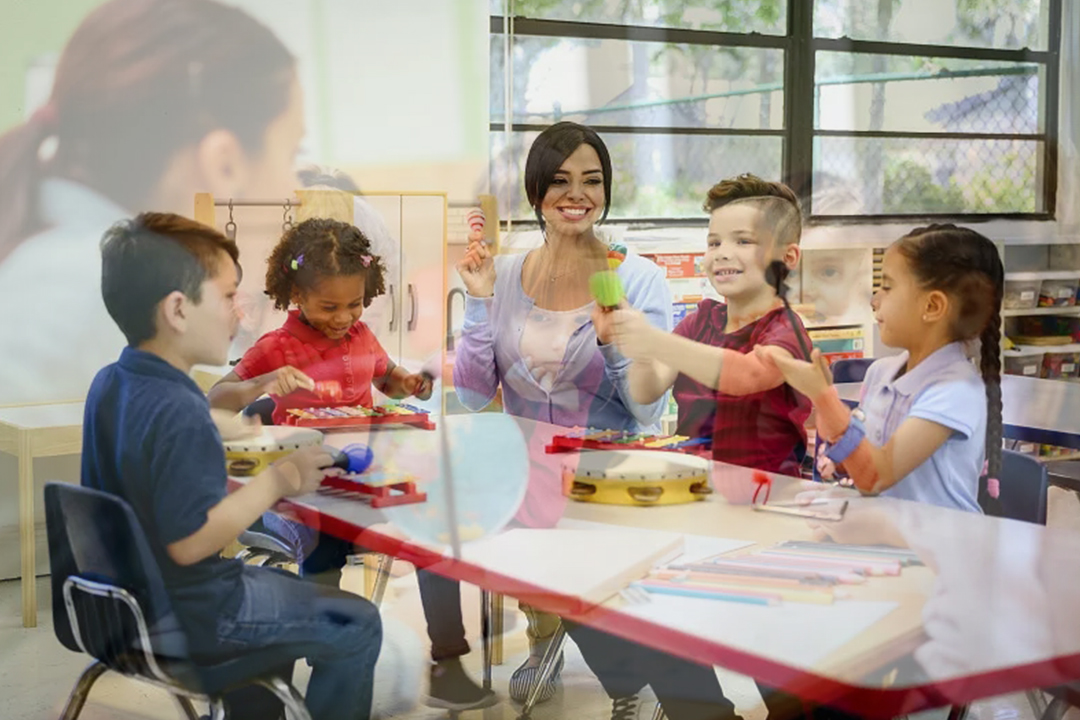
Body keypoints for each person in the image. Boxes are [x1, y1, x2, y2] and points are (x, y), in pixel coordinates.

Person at [82, 212, 381, 720]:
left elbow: (186, 429)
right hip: (188, 613)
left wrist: (252, 404)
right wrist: (280, 480)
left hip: (114, 605)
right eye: (226, 297)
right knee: (358, 622)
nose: (240, 313)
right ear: (178, 310)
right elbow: (190, 542)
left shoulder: (115, 381)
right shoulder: (179, 410)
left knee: (287, 594)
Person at [208, 217, 495, 711]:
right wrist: (261, 383)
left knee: (433, 533)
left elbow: (384, 376)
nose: (345, 317)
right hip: (304, 497)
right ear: (296, 294)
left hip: (368, 482)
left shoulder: (362, 335)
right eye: (330, 306)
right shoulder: (275, 347)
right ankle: (332, 657)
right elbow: (217, 398)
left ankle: (448, 663)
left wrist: (406, 382)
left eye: (356, 303)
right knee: (322, 550)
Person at [453, 121, 672, 707]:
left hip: (607, 471)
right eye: (560, 181)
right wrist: (476, 304)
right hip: (525, 468)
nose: (578, 195)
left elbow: (647, 409)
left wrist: (613, 338)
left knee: (589, 574)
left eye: (592, 181)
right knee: (514, 543)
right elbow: (474, 395)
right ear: (536, 193)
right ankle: (542, 640)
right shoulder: (499, 275)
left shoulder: (639, 277)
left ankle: (628, 684)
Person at [0, 0, 304, 406]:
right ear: (225, 164)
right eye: (292, 155)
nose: (296, 188)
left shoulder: (60, 259)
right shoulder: (104, 299)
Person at [759, 223, 1005, 514]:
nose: (875, 300)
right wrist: (834, 457)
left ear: (933, 306)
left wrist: (824, 397)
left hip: (938, 551)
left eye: (887, 287)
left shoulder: (955, 390)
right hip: (886, 536)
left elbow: (875, 476)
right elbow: (859, 463)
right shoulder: (882, 372)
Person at [612, 175, 812, 477]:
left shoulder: (786, 330)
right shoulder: (700, 321)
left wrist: (652, 340)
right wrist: (639, 351)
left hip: (766, 497)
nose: (721, 252)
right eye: (714, 242)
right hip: (694, 487)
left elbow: (745, 375)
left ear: (788, 257)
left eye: (743, 241)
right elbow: (646, 391)